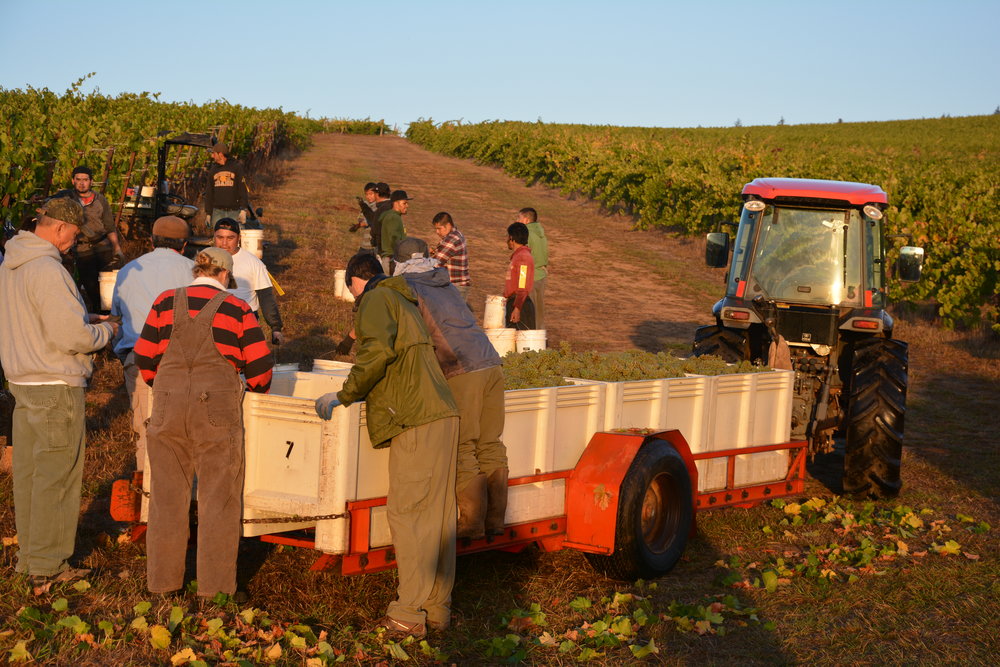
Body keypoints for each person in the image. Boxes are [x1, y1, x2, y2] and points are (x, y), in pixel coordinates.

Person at [314, 253, 459, 639]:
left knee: (408, 515)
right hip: (441, 413)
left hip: (417, 417)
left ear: (354, 282)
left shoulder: (376, 299)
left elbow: (376, 353)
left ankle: (408, 613)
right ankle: (436, 609)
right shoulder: (404, 299)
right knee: (438, 516)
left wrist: (344, 394)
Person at [135, 247, 274, 599]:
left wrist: (164, 387)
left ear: (197, 270)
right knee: (218, 499)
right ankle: (215, 591)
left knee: (166, 498)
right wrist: (255, 388)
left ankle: (162, 585)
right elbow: (260, 370)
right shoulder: (237, 308)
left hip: (167, 404)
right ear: (225, 276)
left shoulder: (165, 301)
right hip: (216, 412)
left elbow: (144, 355)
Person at [0, 197, 119, 584]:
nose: (73, 242)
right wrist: (106, 331)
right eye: (73, 235)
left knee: (31, 477)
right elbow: (71, 337)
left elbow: (37, 316)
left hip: (23, 383)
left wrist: (85, 315)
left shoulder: (13, 262)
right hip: (55, 386)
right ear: (59, 228)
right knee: (58, 479)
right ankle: (48, 568)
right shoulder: (49, 269)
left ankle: (31, 559)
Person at [394, 238, 507, 539]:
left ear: (399, 263)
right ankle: (495, 522)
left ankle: (471, 524)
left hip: (462, 369)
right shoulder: (445, 282)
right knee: (490, 443)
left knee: (463, 444)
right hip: (491, 362)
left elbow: (411, 340)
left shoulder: (408, 288)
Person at [110, 215, 194, 471]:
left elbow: (117, 315)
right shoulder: (194, 270)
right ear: (184, 244)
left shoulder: (127, 271)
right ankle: (179, 496)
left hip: (138, 358)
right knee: (181, 431)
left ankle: (147, 498)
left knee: (145, 429)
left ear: (151, 241)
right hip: (181, 361)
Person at [53, 165, 124, 313]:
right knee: (91, 287)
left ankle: (109, 315)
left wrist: (117, 248)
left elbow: (110, 227)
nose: (81, 183)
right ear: (73, 181)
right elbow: (49, 203)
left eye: (85, 180)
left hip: (103, 247)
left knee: (107, 287)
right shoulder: (67, 198)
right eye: (78, 179)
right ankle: (99, 315)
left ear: (91, 182)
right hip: (82, 249)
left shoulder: (100, 200)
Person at [213, 219, 285, 345]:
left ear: (239, 238)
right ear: (213, 237)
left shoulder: (254, 263)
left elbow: (266, 297)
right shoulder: (203, 260)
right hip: (212, 318)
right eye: (220, 237)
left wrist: (276, 328)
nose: (224, 243)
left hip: (243, 320)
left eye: (230, 238)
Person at [204, 142, 250, 230]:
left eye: (214, 154)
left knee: (235, 237)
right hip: (217, 212)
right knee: (219, 238)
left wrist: (243, 210)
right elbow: (209, 193)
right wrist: (208, 214)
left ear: (220, 154)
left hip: (234, 212)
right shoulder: (213, 170)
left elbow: (242, 189)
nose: (212, 156)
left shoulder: (236, 167)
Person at [430, 212, 472, 306]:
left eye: (439, 228)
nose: (437, 232)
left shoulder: (452, 239)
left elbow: (435, 263)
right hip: (458, 285)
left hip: (455, 286)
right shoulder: (457, 234)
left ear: (448, 225)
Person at [517, 207, 548, 329]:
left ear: (525, 219)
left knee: (528, 313)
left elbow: (524, 258)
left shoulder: (527, 234)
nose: (517, 220)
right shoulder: (541, 234)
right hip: (541, 274)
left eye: (518, 218)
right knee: (539, 312)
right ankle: (540, 341)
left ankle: (530, 342)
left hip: (530, 277)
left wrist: (520, 282)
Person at [504, 222, 536, 329]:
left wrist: (517, 308)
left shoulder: (523, 258)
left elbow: (523, 285)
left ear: (512, 238)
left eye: (508, 237)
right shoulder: (517, 256)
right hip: (514, 303)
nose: (507, 240)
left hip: (520, 305)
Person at [379, 190, 411, 277]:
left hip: (391, 260)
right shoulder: (393, 217)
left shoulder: (394, 216)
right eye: (404, 203)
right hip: (392, 261)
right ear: (396, 203)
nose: (407, 206)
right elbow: (394, 240)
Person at [350, 182, 378, 255]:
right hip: (365, 243)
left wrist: (358, 225)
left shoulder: (377, 207)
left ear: (377, 193)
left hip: (372, 245)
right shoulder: (366, 205)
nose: (369, 197)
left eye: (371, 194)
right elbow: (360, 218)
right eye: (366, 194)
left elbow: (368, 221)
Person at [369, 182, 392, 259]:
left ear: (377, 194)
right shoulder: (393, 206)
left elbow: (375, 231)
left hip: (383, 250)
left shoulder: (381, 210)